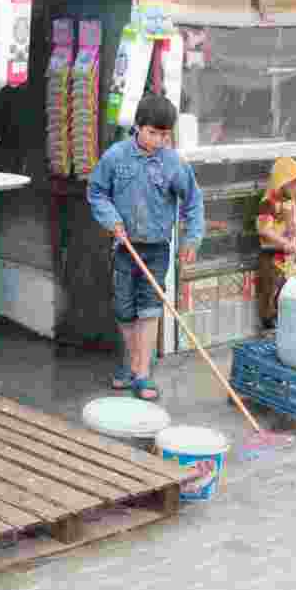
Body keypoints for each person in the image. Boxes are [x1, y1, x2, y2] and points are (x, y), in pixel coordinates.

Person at [87, 94, 205, 401]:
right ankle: (135, 363)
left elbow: (193, 202)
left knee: (149, 308)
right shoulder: (116, 157)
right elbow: (97, 192)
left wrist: (192, 238)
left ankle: (141, 375)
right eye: (153, 133)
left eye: (166, 135)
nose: (160, 141)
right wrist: (112, 220)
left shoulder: (174, 163)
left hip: (156, 249)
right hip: (124, 247)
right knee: (125, 310)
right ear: (138, 127)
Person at [255, 156, 296, 330]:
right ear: (283, 181)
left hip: (287, 253)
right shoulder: (268, 202)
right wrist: (284, 242)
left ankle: (281, 321)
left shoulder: (289, 200)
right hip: (271, 253)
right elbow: (264, 229)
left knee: (285, 286)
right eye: (295, 184)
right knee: (269, 287)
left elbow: (294, 225)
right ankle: (268, 324)